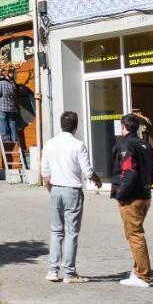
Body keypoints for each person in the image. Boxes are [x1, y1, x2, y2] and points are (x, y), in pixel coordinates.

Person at [41, 110, 102, 283]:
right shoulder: (78, 145)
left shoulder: (50, 144)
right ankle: (69, 272)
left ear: (61, 125)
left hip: (55, 189)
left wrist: (51, 190)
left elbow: (45, 174)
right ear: (76, 126)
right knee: (71, 232)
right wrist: (97, 181)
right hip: (73, 191)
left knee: (56, 230)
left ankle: (52, 270)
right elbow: (87, 171)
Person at [111, 113, 153, 288]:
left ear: (123, 127)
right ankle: (137, 269)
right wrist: (146, 186)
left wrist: (121, 194)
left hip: (131, 197)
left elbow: (129, 172)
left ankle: (143, 275)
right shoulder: (145, 144)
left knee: (134, 234)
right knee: (136, 232)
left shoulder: (125, 145)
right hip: (145, 195)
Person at [0, 65, 26, 170]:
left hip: (2, 106)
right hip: (12, 107)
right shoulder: (12, 84)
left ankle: (5, 137)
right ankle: (14, 137)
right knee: (12, 122)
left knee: (2, 121)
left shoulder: (1, 83)